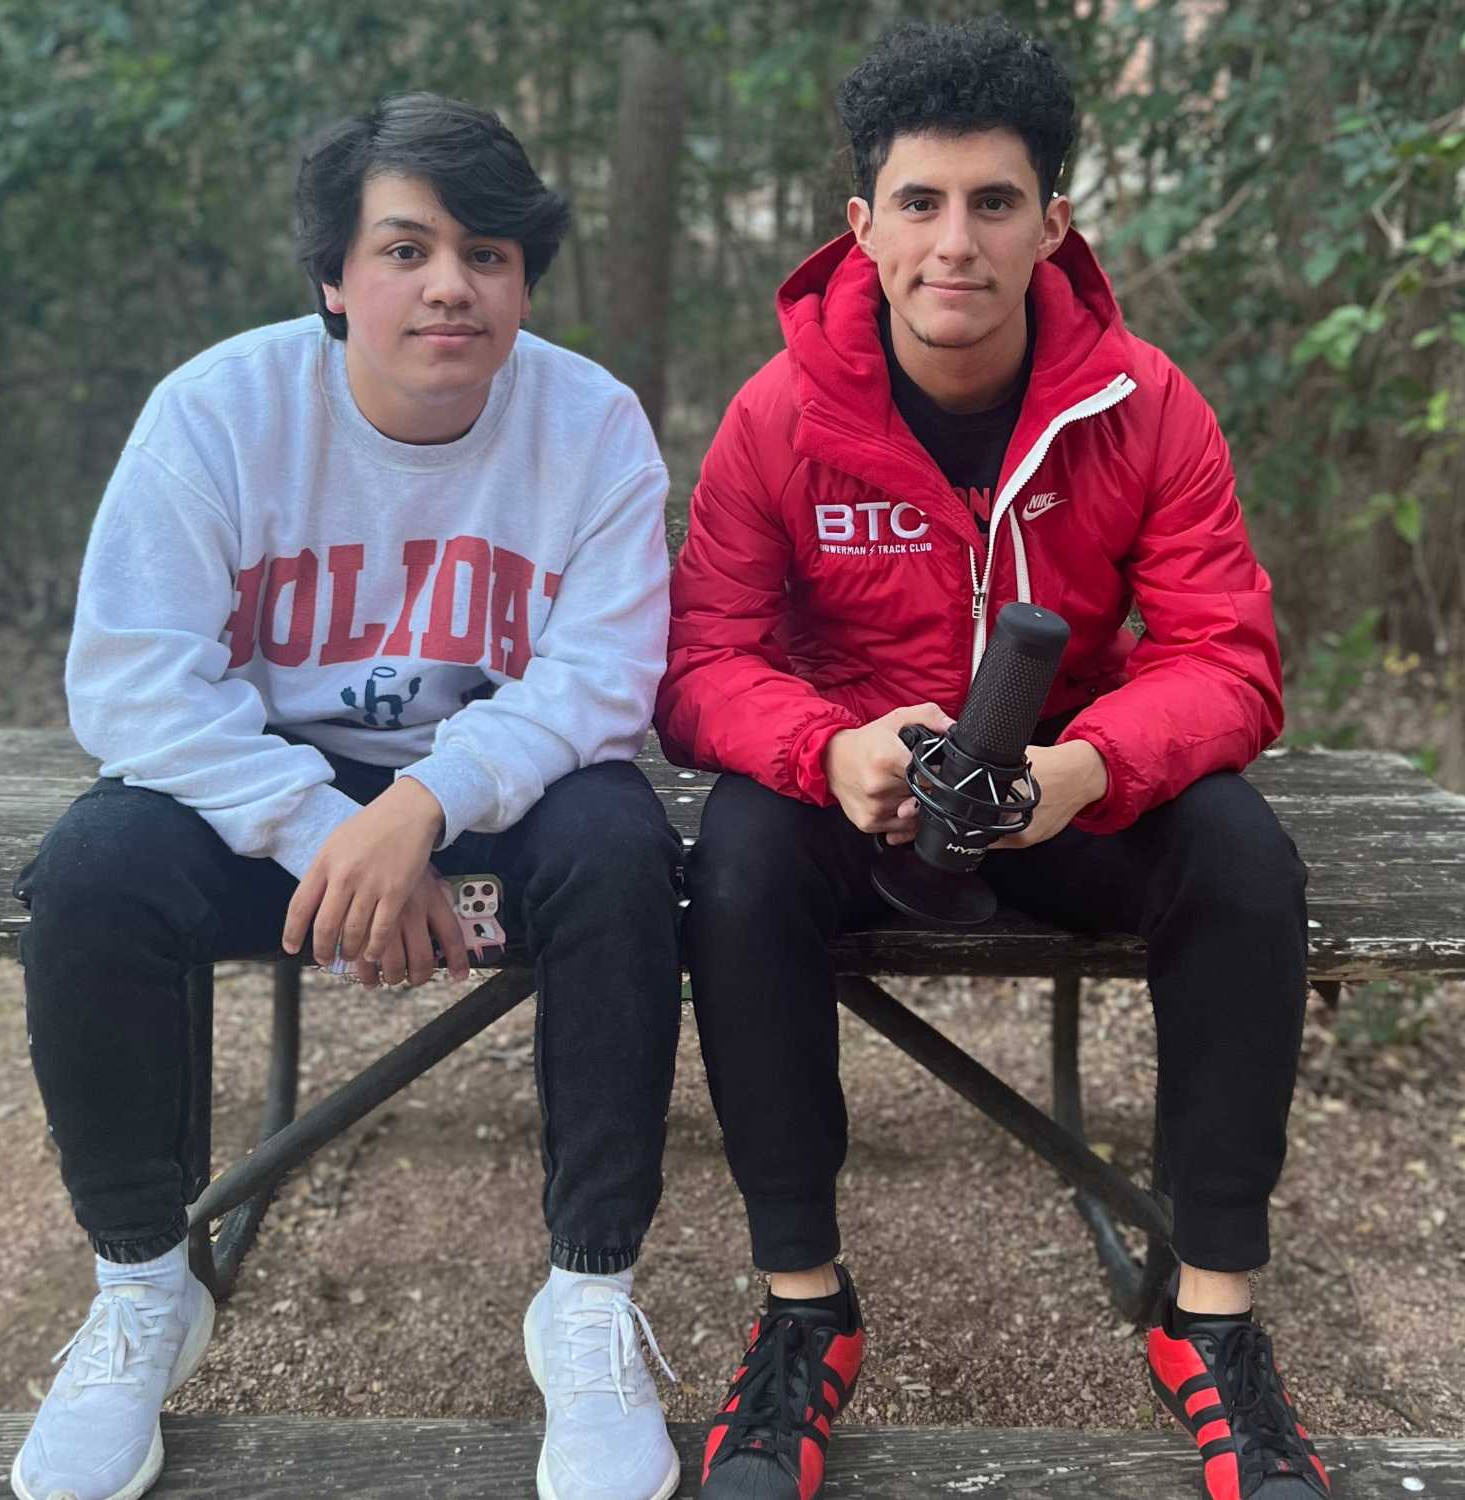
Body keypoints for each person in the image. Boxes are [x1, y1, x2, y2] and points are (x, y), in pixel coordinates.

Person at [655, 19, 1329, 1500]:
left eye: (994, 203)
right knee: (740, 858)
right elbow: (701, 663)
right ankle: (802, 1308)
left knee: (1241, 855)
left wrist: (1087, 767)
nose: (954, 243)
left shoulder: (1143, 402)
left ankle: (1212, 1318)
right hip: (868, 793)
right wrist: (828, 747)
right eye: (920, 202)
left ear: (1053, 223)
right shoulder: (779, 417)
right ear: (862, 224)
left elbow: (1227, 659)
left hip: (1064, 792)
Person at [12, 93, 683, 1500]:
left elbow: (604, 683)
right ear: (333, 277)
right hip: (271, 801)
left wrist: (422, 808)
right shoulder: (218, 412)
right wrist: (334, 831)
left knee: (624, 845)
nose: (452, 285)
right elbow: (133, 684)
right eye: (407, 249)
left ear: (524, 283)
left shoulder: (592, 424)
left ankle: (588, 1296)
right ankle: (143, 1287)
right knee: (92, 874)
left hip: (487, 797)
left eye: (489, 255)